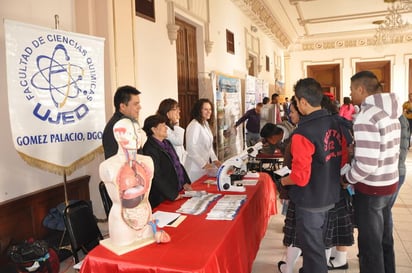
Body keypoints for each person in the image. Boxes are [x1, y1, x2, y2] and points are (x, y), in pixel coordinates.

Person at [280, 78, 343, 273]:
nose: (297, 107)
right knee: (317, 247)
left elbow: (300, 177)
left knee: (313, 252)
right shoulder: (335, 122)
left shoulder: (303, 133)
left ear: (303, 102)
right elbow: (343, 157)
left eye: (296, 103)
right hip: (330, 195)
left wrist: (282, 180)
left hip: (310, 201)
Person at [344, 70, 401, 273]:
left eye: (352, 89)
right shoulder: (391, 112)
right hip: (389, 183)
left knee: (370, 246)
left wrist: (347, 178)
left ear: (361, 89)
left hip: (371, 188)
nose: (350, 94)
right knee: (385, 239)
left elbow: (366, 165)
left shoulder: (366, 116)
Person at [99, 118, 170, 247]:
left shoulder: (148, 161)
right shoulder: (108, 166)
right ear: (118, 135)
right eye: (130, 133)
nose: (136, 137)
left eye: (138, 132)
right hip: (122, 222)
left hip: (146, 219)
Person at [142, 115, 192, 209]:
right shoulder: (149, 149)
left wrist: (185, 182)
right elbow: (156, 176)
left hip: (177, 191)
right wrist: (172, 194)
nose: (166, 128)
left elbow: (177, 163)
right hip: (164, 197)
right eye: (163, 125)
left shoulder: (167, 143)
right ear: (154, 129)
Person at [102, 85, 146, 159]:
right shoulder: (118, 126)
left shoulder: (127, 123)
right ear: (122, 106)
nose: (139, 107)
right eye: (135, 104)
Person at [185, 98, 222, 181]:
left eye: (210, 109)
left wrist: (215, 160)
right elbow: (190, 148)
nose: (209, 112)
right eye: (205, 109)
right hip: (194, 168)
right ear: (199, 110)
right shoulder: (194, 125)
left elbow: (209, 146)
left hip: (204, 167)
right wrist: (204, 164)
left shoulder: (205, 123)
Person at [156, 98, 187, 165]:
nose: (178, 111)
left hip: (180, 164)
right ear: (167, 112)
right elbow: (178, 141)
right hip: (173, 165)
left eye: (178, 109)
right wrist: (176, 123)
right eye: (175, 109)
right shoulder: (164, 128)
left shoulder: (171, 126)